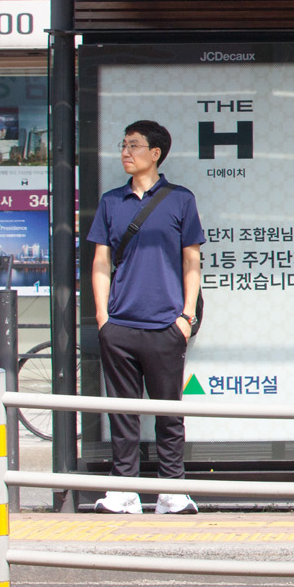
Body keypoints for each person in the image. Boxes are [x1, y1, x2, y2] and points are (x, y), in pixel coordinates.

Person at [87, 120, 206, 514]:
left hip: (165, 324)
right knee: (122, 413)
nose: (125, 152)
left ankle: (171, 491)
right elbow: (100, 262)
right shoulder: (111, 202)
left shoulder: (180, 199)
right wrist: (103, 317)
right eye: (123, 145)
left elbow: (192, 262)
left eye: (134, 145)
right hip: (120, 325)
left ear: (155, 153)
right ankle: (124, 490)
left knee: (169, 412)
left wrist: (185, 317)